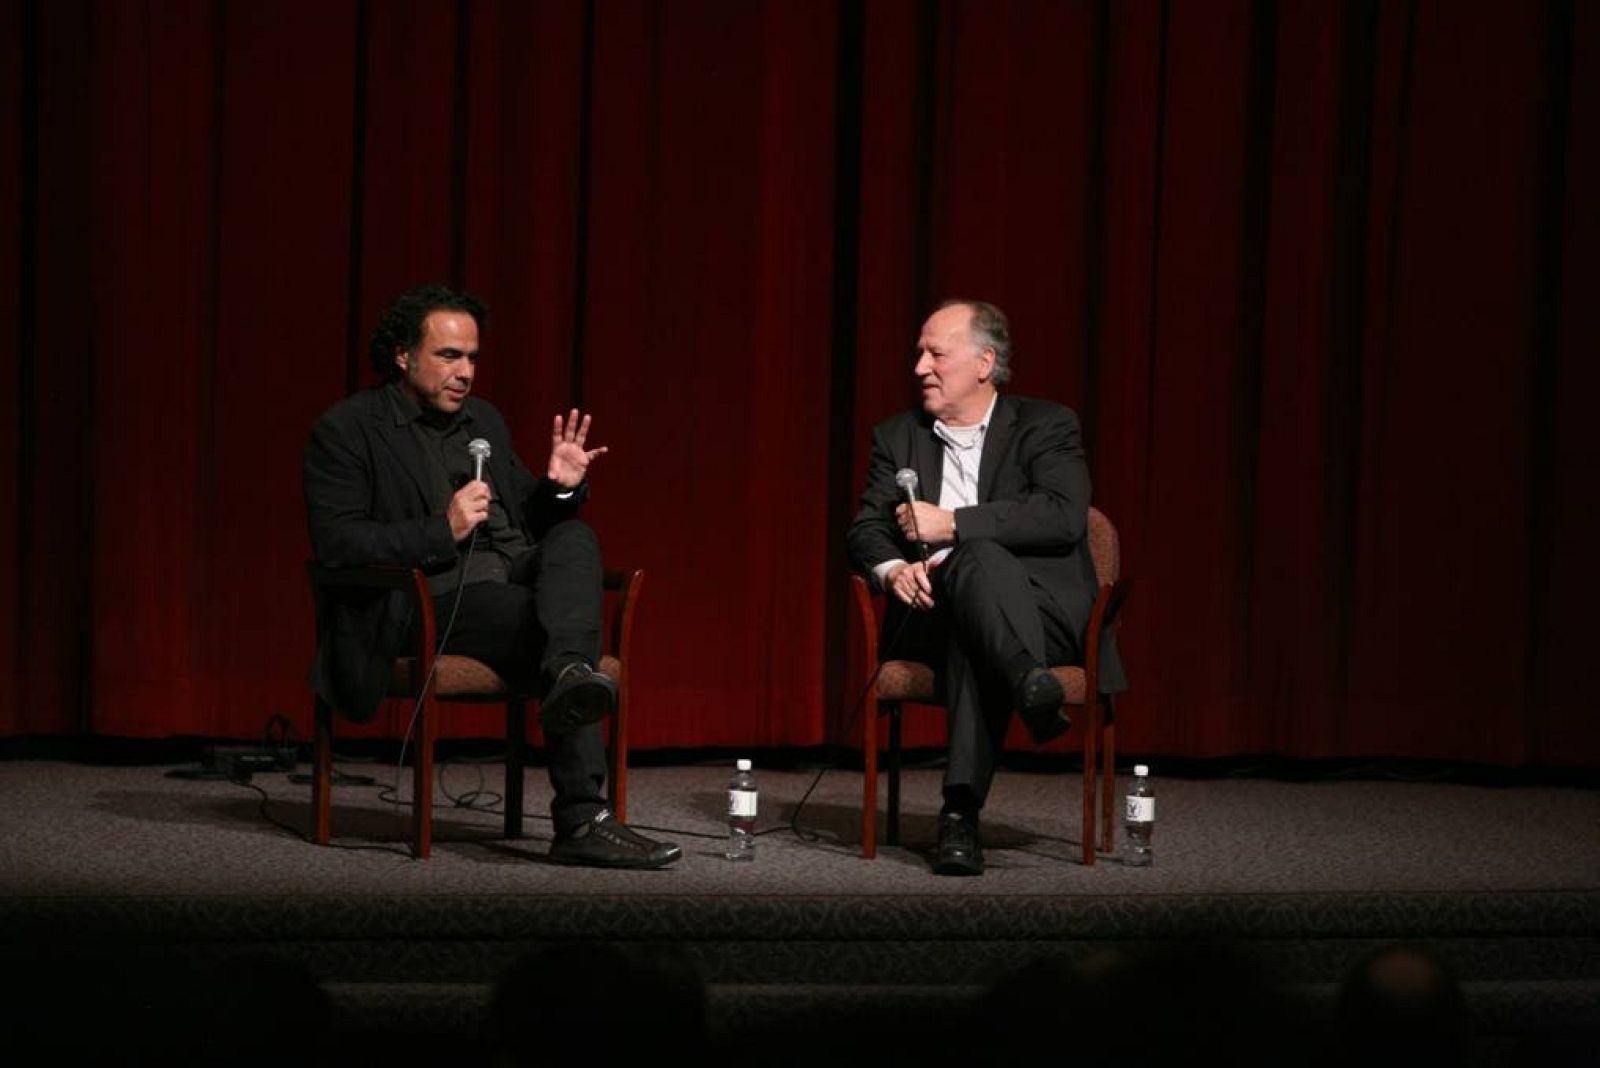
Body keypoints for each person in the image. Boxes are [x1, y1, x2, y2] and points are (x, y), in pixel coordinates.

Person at [303, 283, 680, 869]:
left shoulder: (485, 422)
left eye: (473, 357)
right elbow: (337, 542)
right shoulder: (349, 429)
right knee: (549, 634)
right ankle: (582, 817)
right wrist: (440, 528)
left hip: (509, 576)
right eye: (449, 356)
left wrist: (558, 487)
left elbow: (527, 519)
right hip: (430, 598)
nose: (465, 372)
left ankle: (571, 675)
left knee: (573, 535)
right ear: (403, 355)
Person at [846, 299, 1126, 876]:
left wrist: (955, 525)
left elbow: (1062, 516)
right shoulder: (898, 436)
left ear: (984, 362)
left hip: (1043, 614)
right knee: (972, 610)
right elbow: (866, 529)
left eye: (936, 354)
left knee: (976, 566)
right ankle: (1021, 693)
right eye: (919, 353)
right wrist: (894, 571)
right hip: (933, 613)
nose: (920, 366)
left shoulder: (1047, 426)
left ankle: (962, 813)